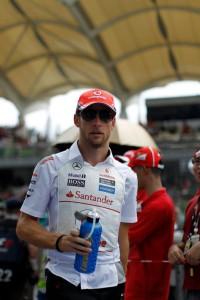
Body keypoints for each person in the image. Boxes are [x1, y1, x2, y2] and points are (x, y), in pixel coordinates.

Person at [16, 88, 138, 300]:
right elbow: (24, 226)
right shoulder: (50, 166)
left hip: (110, 284)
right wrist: (58, 241)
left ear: (113, 122)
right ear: (77, 120)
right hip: (65, 278)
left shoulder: (127, 175)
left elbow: (123, 234)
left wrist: (123, 277)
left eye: (105, 115)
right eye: (90, 114)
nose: (97, 122)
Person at [122, 146, 175, 300]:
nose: (130, 176)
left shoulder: (160, 205)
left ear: (144, 170)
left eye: (133, 170)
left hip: (148, 288)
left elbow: (127, 236)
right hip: (140, 282)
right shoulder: (151, 200)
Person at [168, 148, 200, 300]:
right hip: (192, 285)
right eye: (195, 161)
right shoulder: (192, 203)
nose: (198, 166)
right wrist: (176, 248)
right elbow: (186, 242)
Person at [0, 198, 35, 300]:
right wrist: (34, 270)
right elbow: (32, 251)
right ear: (19, 211)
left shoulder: (1, 224)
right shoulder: (22, 228)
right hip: (16, 272)